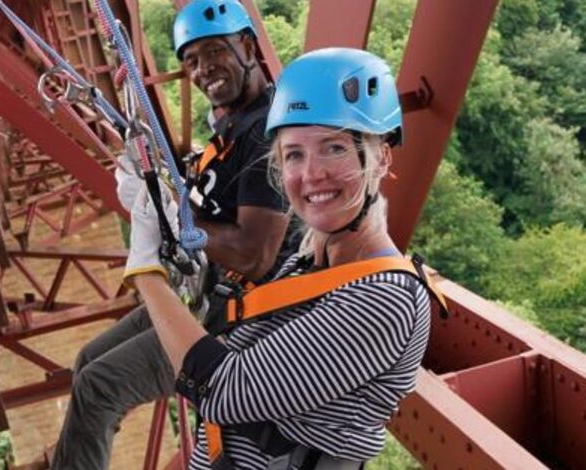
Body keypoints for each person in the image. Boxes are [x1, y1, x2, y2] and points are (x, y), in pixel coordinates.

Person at [123, 47, 444, 469]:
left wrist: (147, 270)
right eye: (294, 154)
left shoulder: (387, 298)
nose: (312, 174)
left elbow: (225, 390)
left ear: (382, 156)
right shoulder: (308, 265)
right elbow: (232, 348)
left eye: (334, 148)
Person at [51, 0, 293, 468]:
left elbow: (253, 253)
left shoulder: (266, 132)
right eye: (192, 61)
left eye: (214, 52)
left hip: (245, 321)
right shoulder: (232, 128)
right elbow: (212, 208)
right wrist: (164, 193)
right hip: (211, 294)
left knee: (97, 386)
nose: (204, 70)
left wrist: (172, 216)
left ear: (248, 45)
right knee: (87, 361)